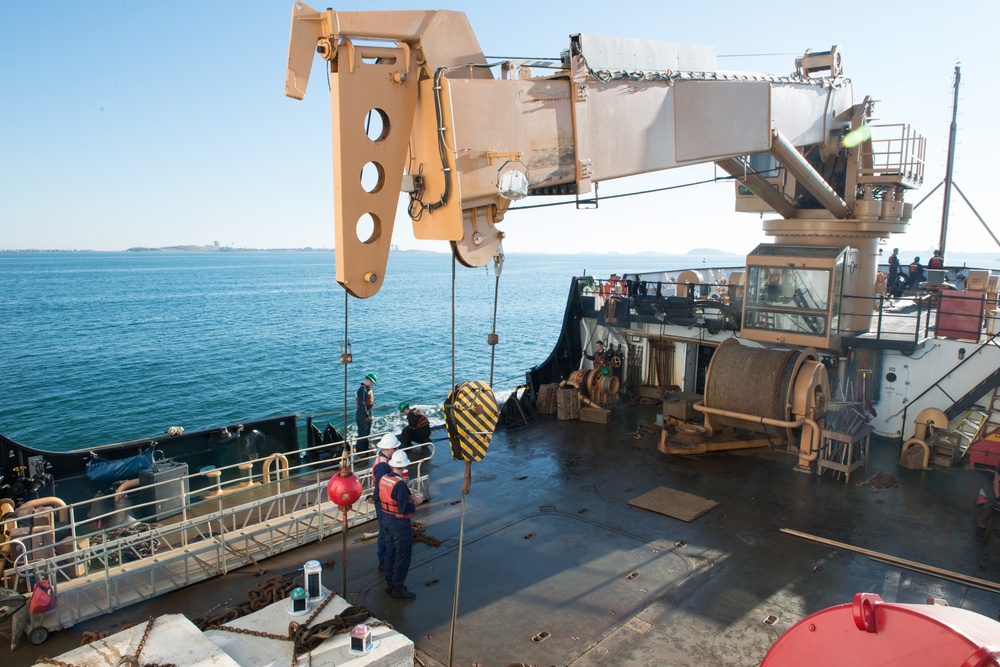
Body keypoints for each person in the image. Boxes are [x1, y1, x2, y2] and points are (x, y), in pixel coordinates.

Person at [378, 450, 416, 600]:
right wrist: (415, 503)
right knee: (403, 554)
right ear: (405, 466)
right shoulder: (400, 485)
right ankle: (398, 588)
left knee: (390, 551)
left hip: (386, 519)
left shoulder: (384, 478)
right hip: (399, 524)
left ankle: (390, 584)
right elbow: (403, 509)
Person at [371, 433, 402, 574]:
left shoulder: (380, 460)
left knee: (385, 530)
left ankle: (385, 558)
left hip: (380, 501)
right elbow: (381, 486)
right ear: (388, 449)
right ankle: (383, 560)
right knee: (384, 531)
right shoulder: (383, 466)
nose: (395, 451)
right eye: (394, 449)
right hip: (382, 503)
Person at [355, 372, 377, 455]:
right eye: (372, 382)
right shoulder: (362, 390)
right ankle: (360, 452)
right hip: (362, 414)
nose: (372, 384)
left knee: (366, 432)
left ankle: (365, 448)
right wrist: (366, 414)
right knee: (362, 433)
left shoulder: (367, 389)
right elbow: (362, 403)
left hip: (367, 412)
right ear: (368, 380)